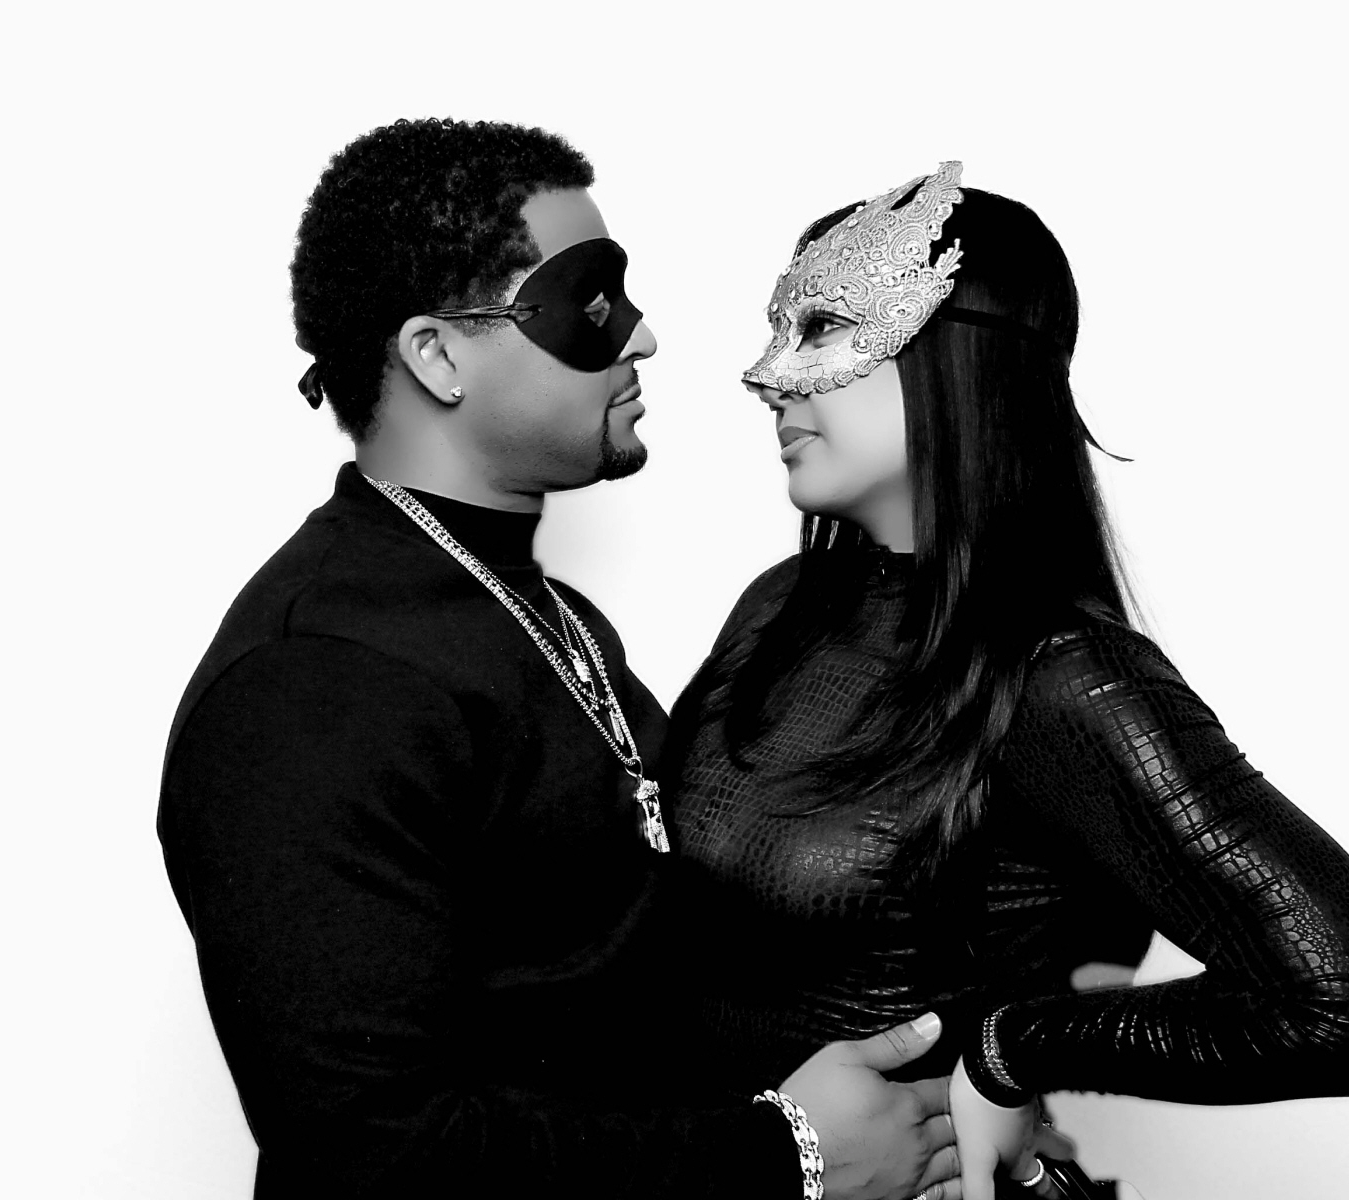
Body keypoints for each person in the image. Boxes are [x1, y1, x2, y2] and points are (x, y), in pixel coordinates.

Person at [158, 119, 971, 1199]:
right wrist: (787, 1157)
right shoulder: (314, 684)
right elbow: (371, 1159)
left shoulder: (553, 621)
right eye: (589, 303)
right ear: (437, 355)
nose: (643, 337)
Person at [664, 162, 1349, 1200]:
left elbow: (1336, 994)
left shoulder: (1059, 675)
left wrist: (1011, 1050)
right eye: (777, 329)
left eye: (824, 327)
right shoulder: (780, 605)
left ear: (955, 353)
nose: (767, 377)